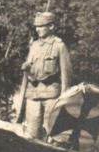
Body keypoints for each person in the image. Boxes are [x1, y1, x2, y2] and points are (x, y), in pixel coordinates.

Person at [19, 11, 73, 139]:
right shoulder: (34, 45)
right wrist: (26, 67)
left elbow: (66, 74)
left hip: (51, 95)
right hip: (33, 94)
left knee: (53, 131)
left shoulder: (59, 46)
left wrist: (64, 98)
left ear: (51, 26)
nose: (37, 29)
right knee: (31, 133)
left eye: (41, 26)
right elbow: (29, 68)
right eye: (36, 26)